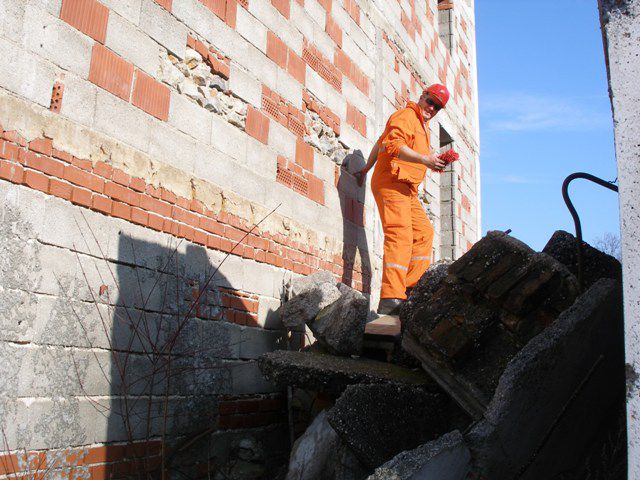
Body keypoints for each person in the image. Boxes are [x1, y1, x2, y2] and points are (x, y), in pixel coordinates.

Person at [354, 84, 450, 315]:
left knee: (424, 233)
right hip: (391, 183)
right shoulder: (406, 116)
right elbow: (394, 144)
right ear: (423, 95)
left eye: (437, 107)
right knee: (400, 234)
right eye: (431, 101)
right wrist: (425, 160)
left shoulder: (422, 126)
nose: (432, 108)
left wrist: (366, 168)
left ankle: (409, 287)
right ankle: (391, 297)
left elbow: (380, 142)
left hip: (407, 189)